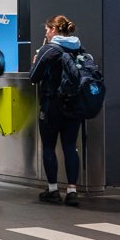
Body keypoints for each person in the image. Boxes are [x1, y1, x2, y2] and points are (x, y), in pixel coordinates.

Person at [28, 14, 84, 207]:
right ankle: (72, 191)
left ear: (53, 29)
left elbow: (34, 77)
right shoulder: (78, 48)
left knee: (49, 146)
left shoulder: (48, 50)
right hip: (74, 105)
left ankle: (52, 190)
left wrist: (35, 61)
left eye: (47, 30)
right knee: (70, 146)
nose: (46, 34)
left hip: (51, 105)